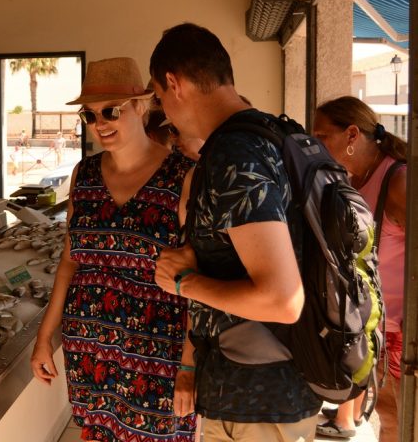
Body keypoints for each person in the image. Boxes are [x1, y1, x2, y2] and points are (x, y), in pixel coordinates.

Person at [150, 23, 320, 441]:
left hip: (261, 403)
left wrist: (185, 282)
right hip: (261, 393)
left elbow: (282, 300)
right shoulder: (274, 133)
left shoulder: (235, 154)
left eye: (158, 96)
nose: (163, 109)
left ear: (174, 83)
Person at [30, 57, 197, 441]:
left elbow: (197, 282)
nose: (100, 123)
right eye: (90, 116)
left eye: (110, 111)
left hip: (158, 353)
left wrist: (190, 364)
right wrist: (44, 338)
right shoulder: (83, 174)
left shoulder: (183, 176)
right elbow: (70, 262)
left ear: (142, 105)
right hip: (90, 351)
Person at [312, 96, 407, 441]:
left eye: (322, 136)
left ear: (352, 134)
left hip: (406, 333)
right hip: (381, 328)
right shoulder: (356, 178)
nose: (315, 143)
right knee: (390, 416)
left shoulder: (398, 179)